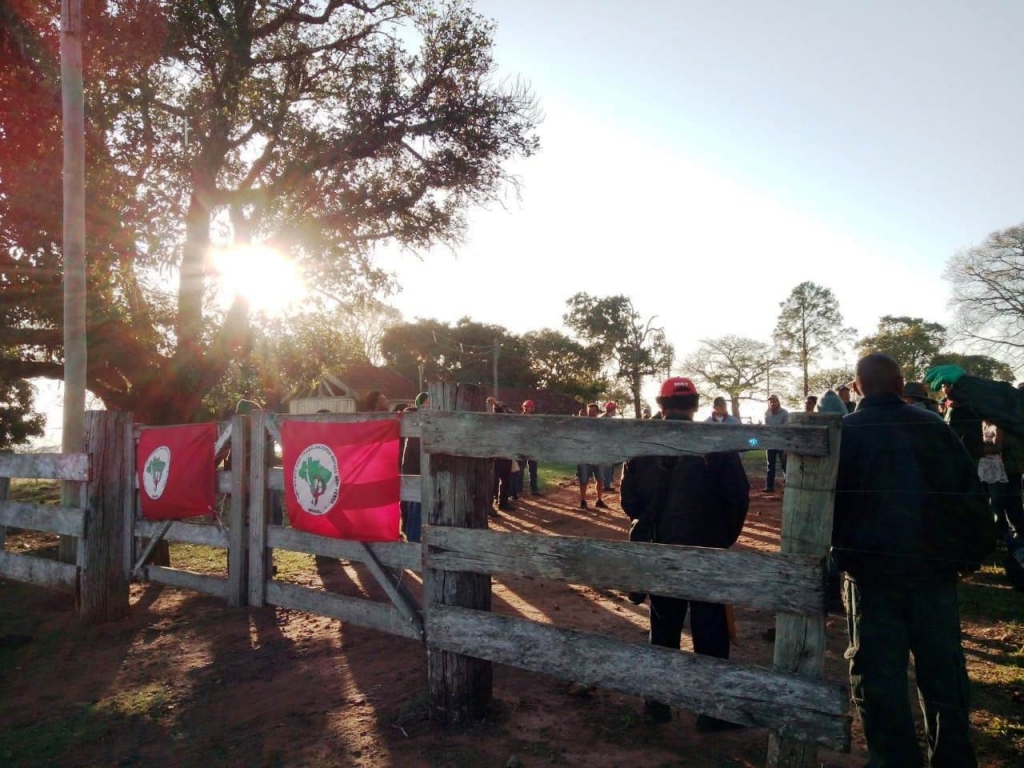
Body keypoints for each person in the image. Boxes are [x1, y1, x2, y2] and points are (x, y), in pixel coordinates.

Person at [834, 354, 994, 768]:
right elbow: (969, 496)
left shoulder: (843, 433)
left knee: (877, 677)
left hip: (869, 576)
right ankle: (953, 758)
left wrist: (837, 561)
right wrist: (972, 553)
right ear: (901, 384)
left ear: (857, 388)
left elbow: (826, 507)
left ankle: (892, 760)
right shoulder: (934, 429)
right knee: (943, 674)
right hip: (933, 572)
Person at [621, 377, 750, 730]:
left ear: (661, 405)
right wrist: (722, 539)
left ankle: (658, 704)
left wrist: (649, 523)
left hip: (661, 548)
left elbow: (629, 501)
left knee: (663, 625)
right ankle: (711, 713)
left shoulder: (642, 443)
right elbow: (738, 498)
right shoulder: (715, 443)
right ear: (695, 405)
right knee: (710, 628)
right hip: (707, 550)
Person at [486, 397, 516, 513]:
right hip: (496, 457)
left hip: (506, 456)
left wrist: (497, 403)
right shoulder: (493, 424)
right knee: (492, 483)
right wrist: (496, 404)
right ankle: (489, 506)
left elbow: (511, 413)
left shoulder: (508, 424)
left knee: (506, 481)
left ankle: (502, 503)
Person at [576, 402, 608, 511]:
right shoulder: (582, 425)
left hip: (598, 456)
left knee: (600, 479)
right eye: (590, 412)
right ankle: (583, 500)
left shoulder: (602, 425)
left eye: (594, 412)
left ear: (597, 412)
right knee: (583, 479)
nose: (592, 414)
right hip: (584, 456)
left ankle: (599, 500)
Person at [762, 394, 788, 492]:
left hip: (781, 442)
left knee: (784, 464)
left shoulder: (784, 413)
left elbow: (785, 428)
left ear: (778, 402)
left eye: (774, 401)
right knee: (770, 465)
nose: (772, 403)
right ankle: (769, 486)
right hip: (770, 442)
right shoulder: (767, 413)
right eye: (770, 402)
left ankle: (787, 486)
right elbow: (767, 427)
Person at [515, 399, 541, 496]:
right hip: (522, 448)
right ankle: (518, 490)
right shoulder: (519, 419)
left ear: (532, 408)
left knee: (533, 470)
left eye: (528, 407)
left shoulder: (534, 420)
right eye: (525, 407)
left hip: (532, 448)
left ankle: (534, 489)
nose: (526, 409)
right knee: (520, 470)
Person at [600, 401, 620, 490]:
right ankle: (606, 485)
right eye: (615, 409)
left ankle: (606, 484)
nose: (616, 411)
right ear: (612, 409)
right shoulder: (606, 419)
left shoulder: (604, 418)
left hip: (607, 445)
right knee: (607, 467)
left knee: (608, 467)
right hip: (605, 446)